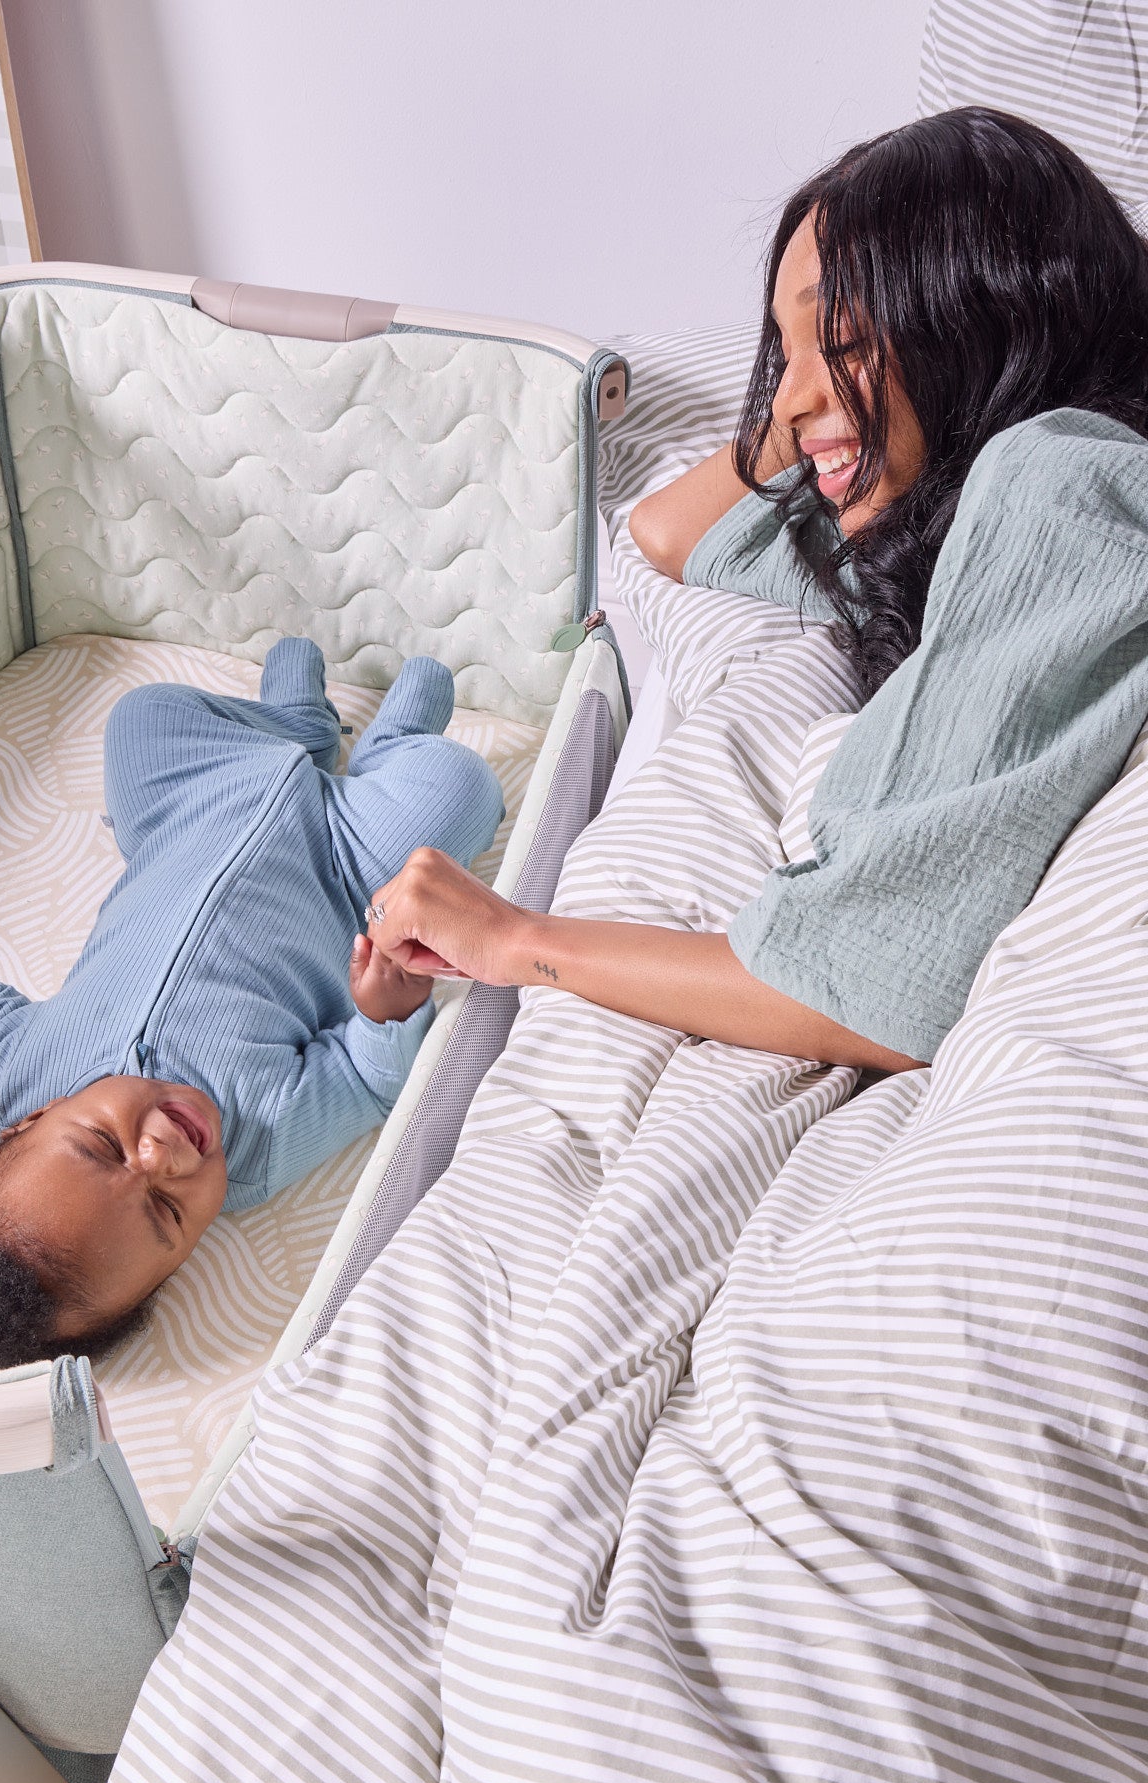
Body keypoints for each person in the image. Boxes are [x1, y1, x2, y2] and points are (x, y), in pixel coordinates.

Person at [366, 106, 1148, 1071]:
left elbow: (865, 985)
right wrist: (822, 387)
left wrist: (512, 939)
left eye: (846, 338)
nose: (783, 397)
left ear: (989, 316)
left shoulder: (1055, 484)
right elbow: (667, 534)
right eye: (784, 350)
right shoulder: (935, 521)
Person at [0, 635, 503, 1367]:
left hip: (193, 813)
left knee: (144, 717)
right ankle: (396, 745)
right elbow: (364, 1079)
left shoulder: (22, 1069)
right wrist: (386, 1011)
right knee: (459, 791)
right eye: (168, 1211)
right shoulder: (261, 1145)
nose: (164, 1153)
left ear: (31, 1120)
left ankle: (296, 727)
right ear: (179, 1262)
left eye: (104, 1146)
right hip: (345, 863)